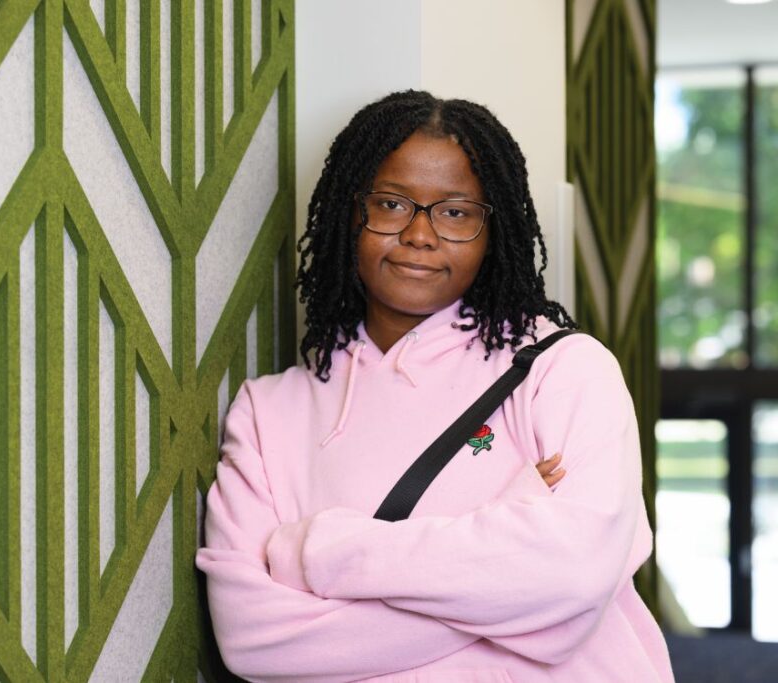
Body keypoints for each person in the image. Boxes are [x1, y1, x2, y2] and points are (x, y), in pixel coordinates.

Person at [194, 90, 675, 682]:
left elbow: (573, 578)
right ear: (351, 213)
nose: (420, 234)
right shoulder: (268, 413)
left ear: (491, 229)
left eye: (455, 212)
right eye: (392, 204)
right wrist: (513, 590)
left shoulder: (564, 371)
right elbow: (253, 640)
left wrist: (321, 552)